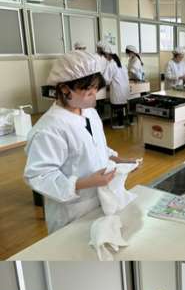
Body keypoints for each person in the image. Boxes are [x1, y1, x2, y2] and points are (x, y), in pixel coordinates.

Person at [24, 51, 137, 233]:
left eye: (96, 88)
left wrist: (120, 160)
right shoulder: (49, 129)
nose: (94, 94)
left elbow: (96, 147)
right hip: (72, 212)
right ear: (64, 89)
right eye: (88, 89)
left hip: (100, 203)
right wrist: (84, 183)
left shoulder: (89, 113)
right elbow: (39, 176)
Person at [103, 45, 130, 129]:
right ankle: (123, 121)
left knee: (117, 105)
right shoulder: (121, 64)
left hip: (117, 92)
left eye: (105, 55)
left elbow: (106, 80)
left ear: (109, 55)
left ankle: (120, 124)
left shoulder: (111, 65)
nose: (105, 57)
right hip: (125, 92)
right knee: (122, 105)